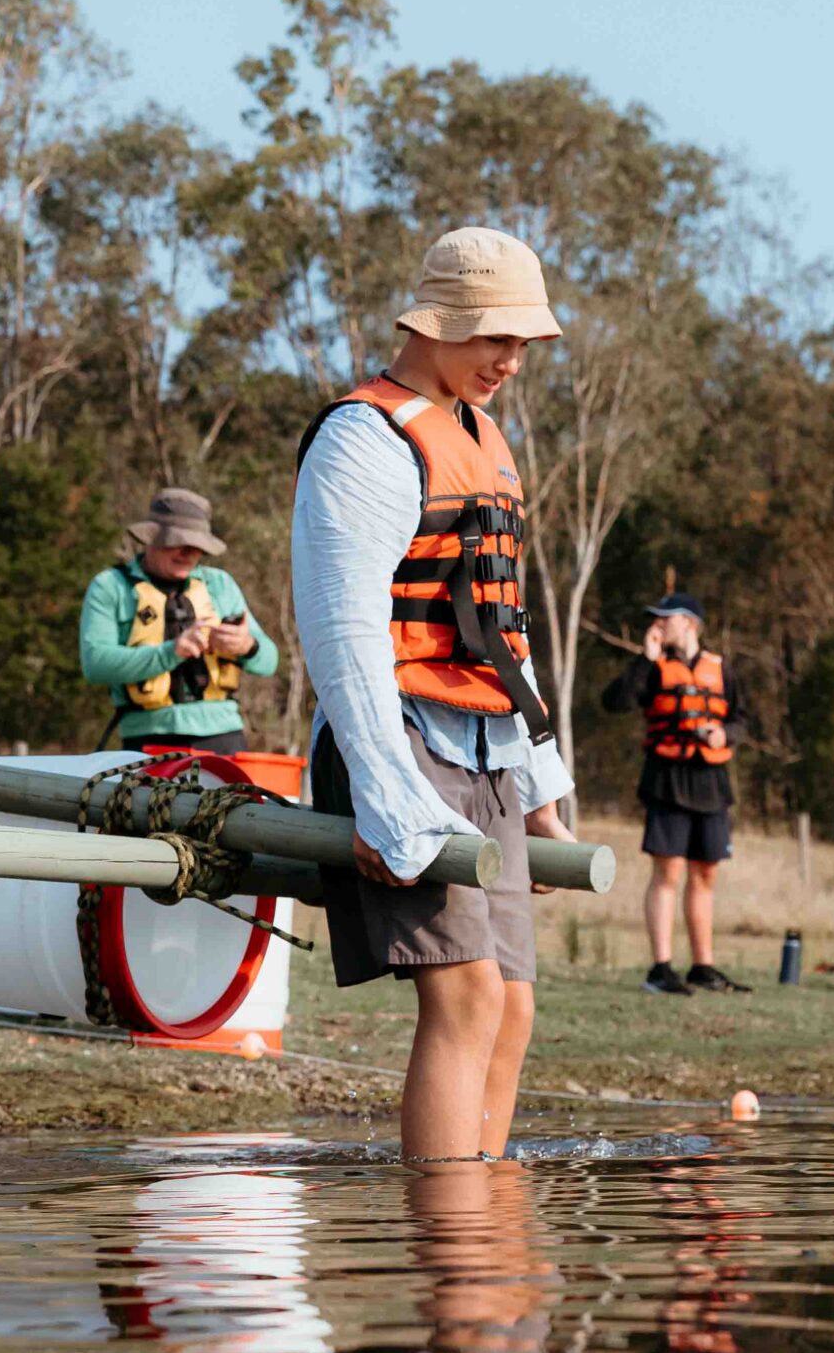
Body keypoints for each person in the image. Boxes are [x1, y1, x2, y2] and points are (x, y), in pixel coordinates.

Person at [294, 225, 577, 1162]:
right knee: (465, 995)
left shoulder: (486, 440)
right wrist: (385, 791)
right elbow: (344, 632)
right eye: (495, 337)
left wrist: (542, 786)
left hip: (491, 741)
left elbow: (505, 627)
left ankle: (488, 1236)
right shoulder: (364, 438)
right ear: (438, 321)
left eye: (522, 343)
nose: (511, 360)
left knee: (516, 1005)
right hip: (404, 739)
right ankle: (452, 1255)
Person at [603, 593, 754, 996]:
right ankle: (660, 969)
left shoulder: (721, 668)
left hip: (711, 782)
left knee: (705, 874)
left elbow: (743, 717)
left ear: (689, 623)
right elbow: (614, 702)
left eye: (663, 620)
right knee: (667, 873)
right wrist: (645, 658)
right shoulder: (653, 667)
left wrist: (727, 734)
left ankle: (702, 967)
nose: (656, 626)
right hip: (666, 780)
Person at [80, 488, 279, 756]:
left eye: (197, 547)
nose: (188, 553)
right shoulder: (109, 587)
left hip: (224, 739)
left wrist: (247, 646)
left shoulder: (220, 585)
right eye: (178, 542)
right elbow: (96, 663)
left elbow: (269, 661)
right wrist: (172, 652)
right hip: (147, 740)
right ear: (151, 538)